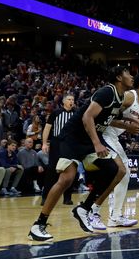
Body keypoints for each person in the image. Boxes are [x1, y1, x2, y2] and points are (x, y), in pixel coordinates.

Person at [29, 66, 133, 241]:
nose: (131, 76)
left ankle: (83, 208)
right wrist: (97, 143)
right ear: (118, 77)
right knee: (67, 178)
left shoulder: (119, 97)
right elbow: (87, 117)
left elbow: (109, 119)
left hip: (88, 140)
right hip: (73, 137)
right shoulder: (107, 92)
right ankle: (38, 224)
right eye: (128, 74)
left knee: (114, 170)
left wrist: (130, 124)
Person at [102, 72, 139, 228]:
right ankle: (101, 213)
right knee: (121, 173)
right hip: (103, 132)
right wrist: (127, 125)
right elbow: (106, 117)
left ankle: (115, 216)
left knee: (124, 175)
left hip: (114, 137)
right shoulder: (129, 96)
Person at [41, 94, 76, 205]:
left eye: (73, 100)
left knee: (70, 170)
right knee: (52, 170)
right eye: (69, 99)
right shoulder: (56, 113)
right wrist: (44, 143)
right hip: (57, 143)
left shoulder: (76, 113)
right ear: (64, 102)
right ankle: (45, 197)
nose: (71, 101)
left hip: (70, 144)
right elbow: (47, 128)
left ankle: (67, 198)